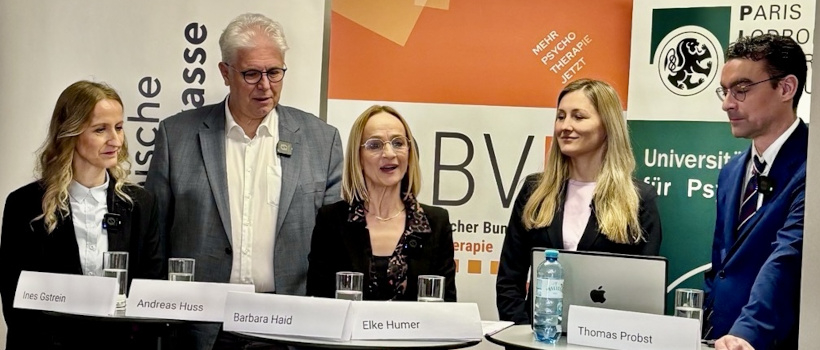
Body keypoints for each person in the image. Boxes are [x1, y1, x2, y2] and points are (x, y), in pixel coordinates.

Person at [144, 13, 343, 349]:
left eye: (275, 72)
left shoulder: (321, 140)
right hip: (201, 329)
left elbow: (335, 247)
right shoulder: (176, 137)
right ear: (225, 72)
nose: (265, 86)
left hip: (289, 328)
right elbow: (155, 239)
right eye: (251, 74)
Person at [0, 80, 163, 349]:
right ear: (71, 133)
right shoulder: (25, 204)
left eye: (119, 128)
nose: (116, 140)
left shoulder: (140, 204)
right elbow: (16, 300)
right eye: (101, 129)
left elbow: (149, 292)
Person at [496, 78, 662, 324]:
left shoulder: (638, 199)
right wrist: (525, 336)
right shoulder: (534, 191)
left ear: (607, 126)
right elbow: (509, 280)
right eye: (561, 116)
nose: (565, 126)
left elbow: (642, 294)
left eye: (578, 117)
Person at [704, 34, 807, 350]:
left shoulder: (812, 167)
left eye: (742, 89)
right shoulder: (732, 171)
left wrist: (746, 333)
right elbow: (722, 265)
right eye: (725, 91)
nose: (727, 103)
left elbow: (787, 259)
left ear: (786, 88)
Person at [306, 105, 456, 302]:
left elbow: (448, 308)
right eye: (375, 145)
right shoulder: (332, 220)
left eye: (398, 143)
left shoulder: (436, 222)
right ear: (357, 157)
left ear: (409, 152)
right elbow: (318, 302)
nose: (389, 153)